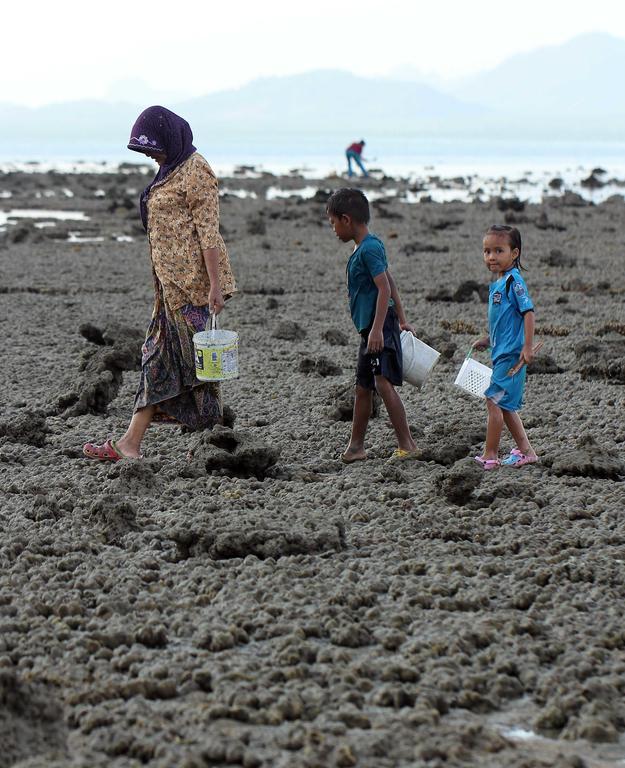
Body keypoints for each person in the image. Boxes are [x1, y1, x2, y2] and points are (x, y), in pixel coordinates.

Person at [83, 106, 236, 461]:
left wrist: (215, 287)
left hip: (193, 288)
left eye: (153, 147)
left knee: (199, 372)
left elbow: (208, 234)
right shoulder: (169, 171)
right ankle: (130, 444)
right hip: (167, 289)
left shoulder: (197, 172)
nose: (150, 155)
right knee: (156, 360)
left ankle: (216, 443)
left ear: (171, 138)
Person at [326, 188, 417, 462]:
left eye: (333, 223)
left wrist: (383, 327)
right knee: (362, 387)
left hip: (378, 328)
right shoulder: (361, 248)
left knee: (382, 383)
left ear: (346, 219)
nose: (333, 230)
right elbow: (390, 283)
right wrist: (401, 319)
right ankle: (356, 447)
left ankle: (408, 444)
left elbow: (385, 289)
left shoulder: (371, 248)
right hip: (369, 329)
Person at [472, 224, 538, 469]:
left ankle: (490, 454)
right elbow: (503, 320)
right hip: (500, 353)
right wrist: (489, 338)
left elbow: (528, 313)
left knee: (494, 401)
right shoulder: (499, 283)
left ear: (514, 253)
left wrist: (528, 347)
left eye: (498, 251)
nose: (491, 257)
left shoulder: (514, 282)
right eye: (487, 251)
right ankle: (526, 452)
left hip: (512, 356)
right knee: (506, 405)